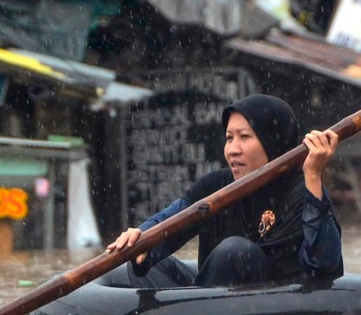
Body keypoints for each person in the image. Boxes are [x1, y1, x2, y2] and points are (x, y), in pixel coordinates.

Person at [107, 94, 343, 288]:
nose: (232, 150)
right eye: (229, 138)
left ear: (273, 140)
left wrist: (313, 174)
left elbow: (322, 264)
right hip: (211, 297)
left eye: (244, 137)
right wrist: (143, 235)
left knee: (234, 252)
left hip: (273, 302)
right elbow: (172, 219)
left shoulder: (300, 189)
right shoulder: (216, 185)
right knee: (147, 259)